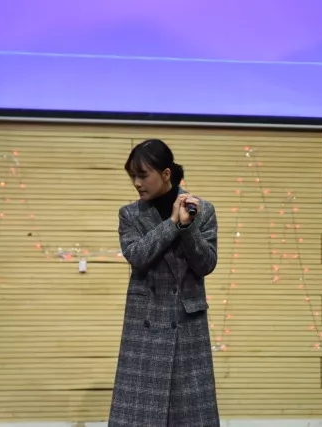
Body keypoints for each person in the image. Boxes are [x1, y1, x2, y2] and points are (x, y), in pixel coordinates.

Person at [108, 139, 220, 427]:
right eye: (132, 176)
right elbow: (137, 256)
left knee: (190, 414)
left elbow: (206, 264)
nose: (136, 183)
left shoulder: (202, 210)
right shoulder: (129, 214)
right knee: (140, 414)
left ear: (166, 173)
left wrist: (187, 227)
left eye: (143, 175)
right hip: (145, 323)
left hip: (187, 322)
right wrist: (172, 224)